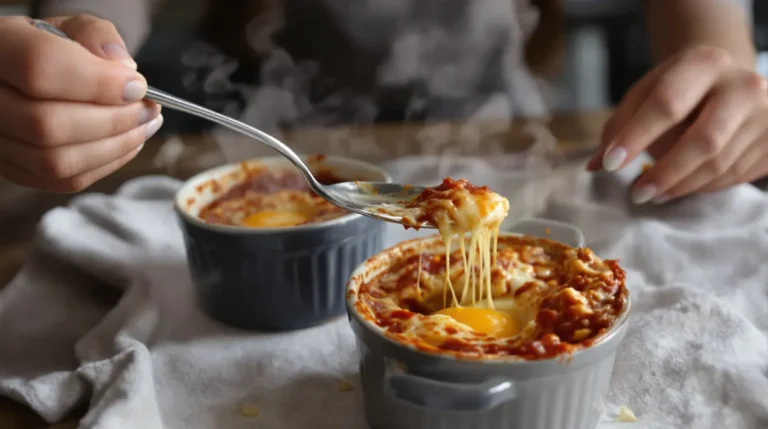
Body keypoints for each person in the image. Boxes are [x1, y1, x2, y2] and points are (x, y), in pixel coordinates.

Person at [0, 0, 761, 206]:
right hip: (264, 145)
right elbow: (89, 19)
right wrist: (66, 70)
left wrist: (727, 87)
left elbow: (710, 43)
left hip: (522, 149)